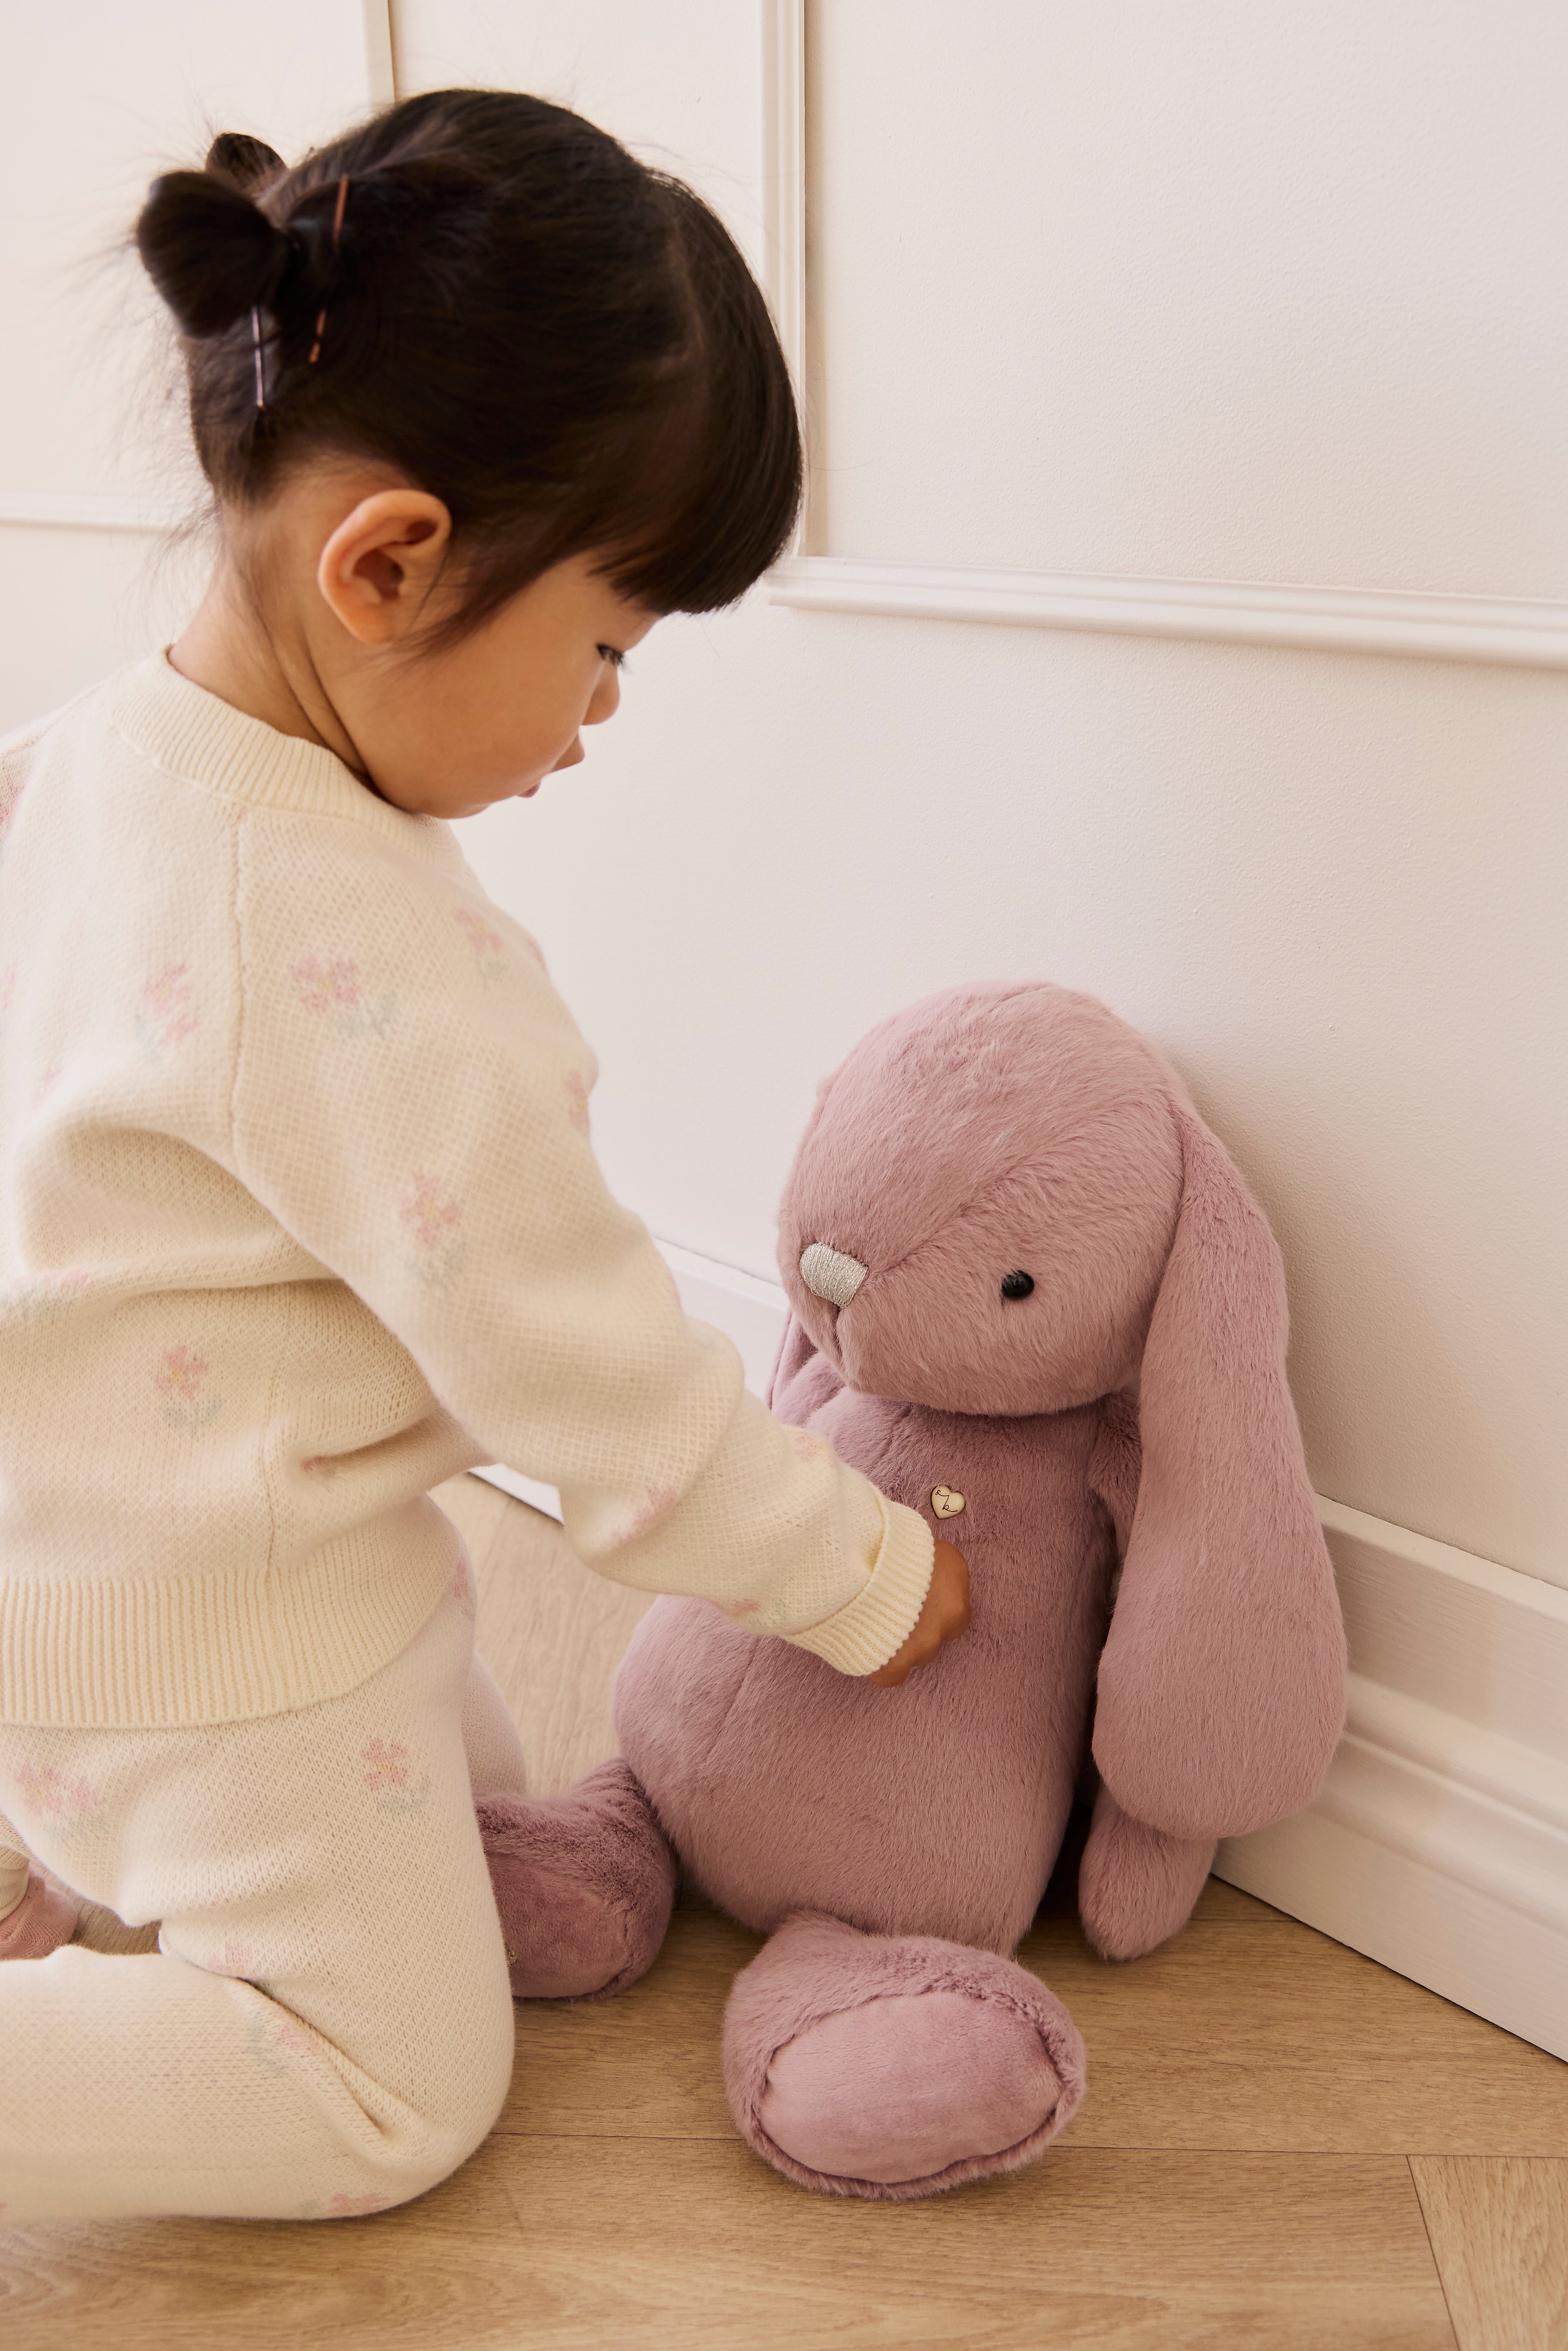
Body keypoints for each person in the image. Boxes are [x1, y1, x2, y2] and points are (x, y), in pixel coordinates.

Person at [0, 90, 969, 2222]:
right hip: (214, 1649)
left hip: (77, 1575)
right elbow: (592, 1385)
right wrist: (861, 1576)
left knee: (502, 1807)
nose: (605, 713)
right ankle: (104, 1879)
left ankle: (66, 1848)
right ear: (395, 561)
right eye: (610, 644)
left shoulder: (72, 767)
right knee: (385, 2089)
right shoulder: (374, 963)